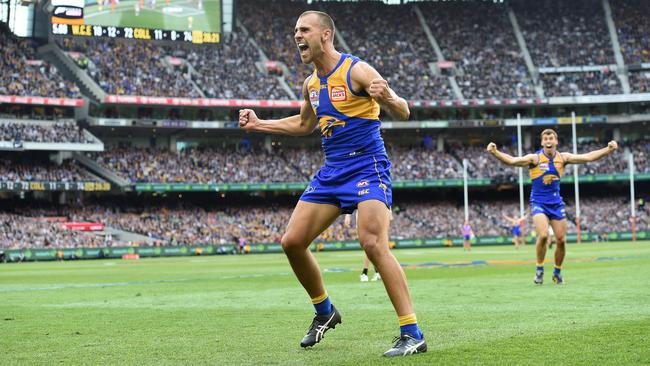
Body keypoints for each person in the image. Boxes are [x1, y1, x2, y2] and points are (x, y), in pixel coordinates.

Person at [238, 10, 426, 357]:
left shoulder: (357, 69)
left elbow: (403, 111)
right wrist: (259, 124)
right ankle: (325, 312)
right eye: (295, 30)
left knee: (372, 243)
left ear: (325, 35)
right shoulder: (311, 84)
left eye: (304, 29)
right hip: (333, 171)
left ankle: (412, 333)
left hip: (367, 167)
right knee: (292, 242)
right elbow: (303, 124)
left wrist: (388, 99)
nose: (297, 36)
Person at [487, 131, 617, 285]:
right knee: (543, 235)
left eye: (551, 138)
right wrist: (495, 152)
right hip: (539, 203)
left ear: (556, 141)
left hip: (556, 203)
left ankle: (557, 272)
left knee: (561, 240)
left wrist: (608, 149)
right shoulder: (534, 159)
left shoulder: (563, 158)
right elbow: (513, 161)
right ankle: (539, 269)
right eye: (545, 138)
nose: (548, 140)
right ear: (542, 143)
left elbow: (588, 157)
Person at [344, 212, 381, 282]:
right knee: (370, 246)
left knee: (369, 245)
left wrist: (348, 215)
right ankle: (376, 272)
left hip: (369, 216)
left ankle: (365, 273)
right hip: (363, 216)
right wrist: (348, 215)